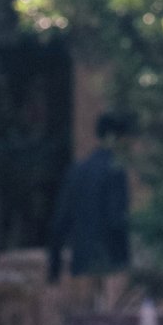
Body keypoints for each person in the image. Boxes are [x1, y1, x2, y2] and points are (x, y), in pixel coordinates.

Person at [50, 112, 134, 292]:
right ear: (114, 137)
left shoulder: (78, 170)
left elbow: (60, 221)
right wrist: (125, 263)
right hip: (110, 265)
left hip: (81, 263)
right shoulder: (115, 170)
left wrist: (54, 268)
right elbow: (116, 219)